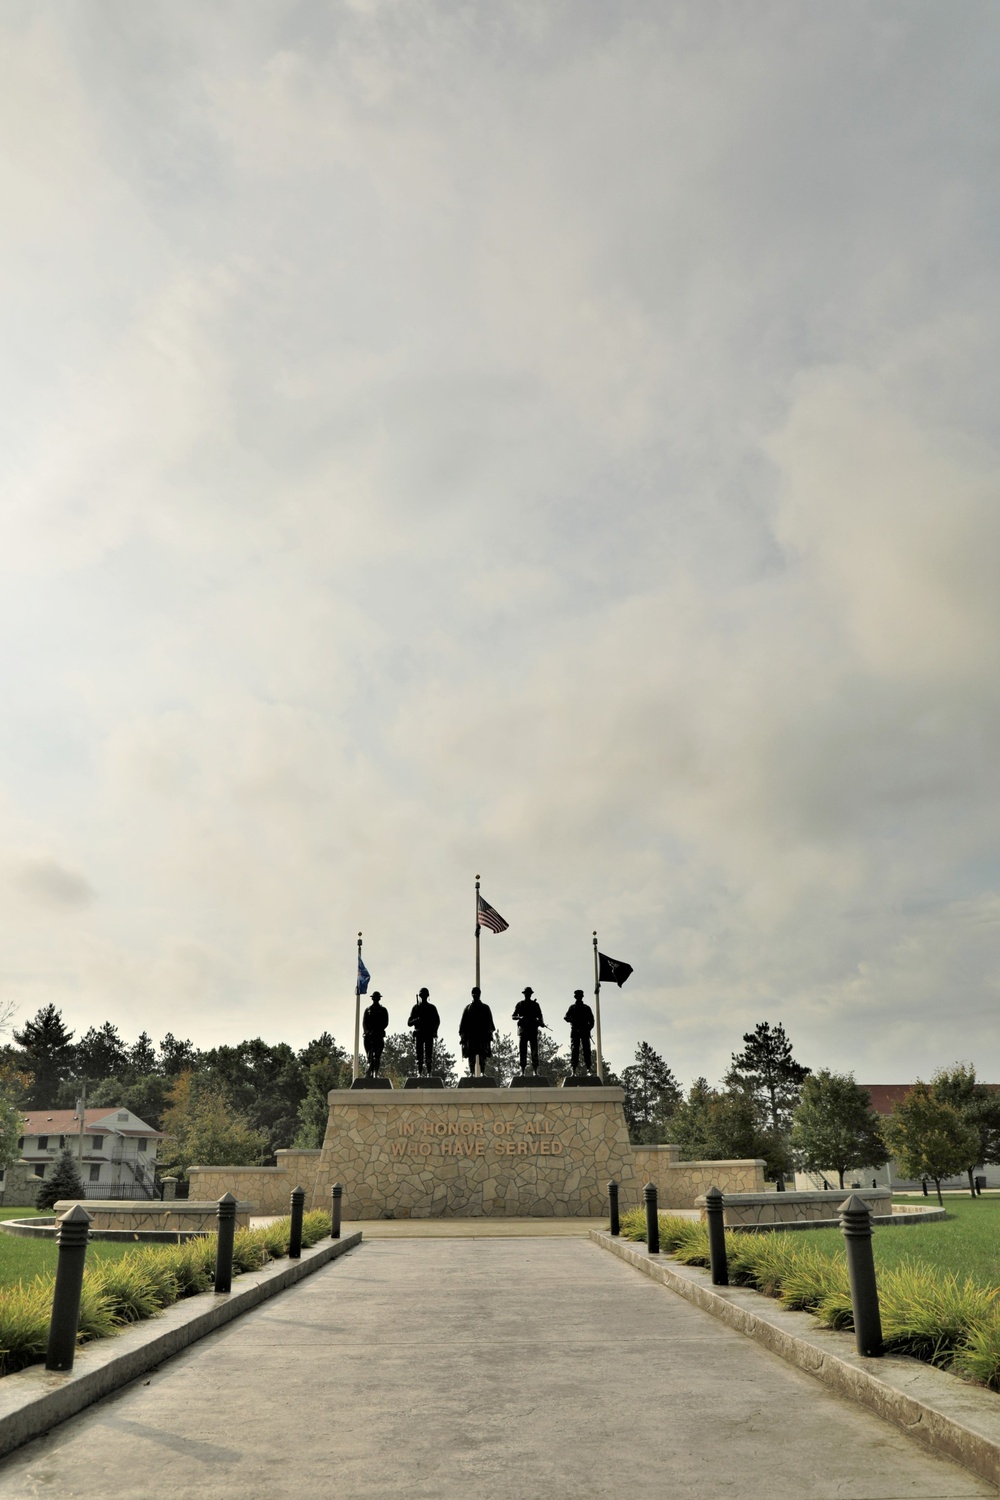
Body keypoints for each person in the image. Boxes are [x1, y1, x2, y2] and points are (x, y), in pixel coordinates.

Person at [459, 987, 495, 1077]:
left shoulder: (485, 1008)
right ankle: (471, 1073)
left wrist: (489, 1034)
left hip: (482, 1035)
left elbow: (490, 1022)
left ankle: (482, 1072)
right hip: (471, 1036)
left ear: (480, 994)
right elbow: (463, 1024)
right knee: (471, 1055)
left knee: (482, 1054)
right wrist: (463, 1036)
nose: (475, 995)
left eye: (477, 993)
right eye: (474, 993)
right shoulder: (467, 1008)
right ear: (471, 994)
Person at [512, 986, 546, 1074]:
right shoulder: (520, 1004)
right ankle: (522, 1071)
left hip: (533, 1030)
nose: (528, 995)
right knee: (523, 1051)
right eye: (526, 994)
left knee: (534, 1051)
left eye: (529, 994)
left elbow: (540, 1015)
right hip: (523, 1031)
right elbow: (513, 1016)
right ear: (524, 994)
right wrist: (520, 1017)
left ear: (531, 994)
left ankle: (535, 1070)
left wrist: (541, 1022)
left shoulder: (535, 1005)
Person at [407, 988, 440, 1075]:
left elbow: (437, 1021)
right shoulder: (416, 1008)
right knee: (419, 1055)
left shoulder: (432, 1008)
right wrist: (417, 1020)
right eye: (423, 996)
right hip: (419, 1033)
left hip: (428, 1033)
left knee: (429, 1054)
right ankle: (420, 1072)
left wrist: (434, 1031)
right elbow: (409, 1022)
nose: (424, 997)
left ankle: (429, 1072)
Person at [564, 989, 595, 1074]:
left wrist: (588, 1029)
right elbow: (566, 1017)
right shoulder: (572, 1008)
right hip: (575, 1031)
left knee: (587, 1050)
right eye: (577, 996)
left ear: (582, 997)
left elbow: (592, 1021)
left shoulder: (586, 1008)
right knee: (574, 1050)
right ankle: (573, 1069)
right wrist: (571, 1020)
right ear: (575, 997)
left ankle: (589, 1068)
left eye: (580, 996)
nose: (578, 998)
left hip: (584, 1031)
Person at [362, 991, 389, 1078]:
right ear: (372, 999)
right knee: (369, 1056)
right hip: (369, 1036)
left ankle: (375, 1073)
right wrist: (367, 1032)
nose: (375, 999)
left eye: (377, 998)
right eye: (374, 998)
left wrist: (378, 1029)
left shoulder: (383, 1010)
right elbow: (364, 1023)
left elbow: (385, 1022)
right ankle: (369, 1072)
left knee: (377, 1056)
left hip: (378, 1035)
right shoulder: (368, 1010)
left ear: (379, 999)